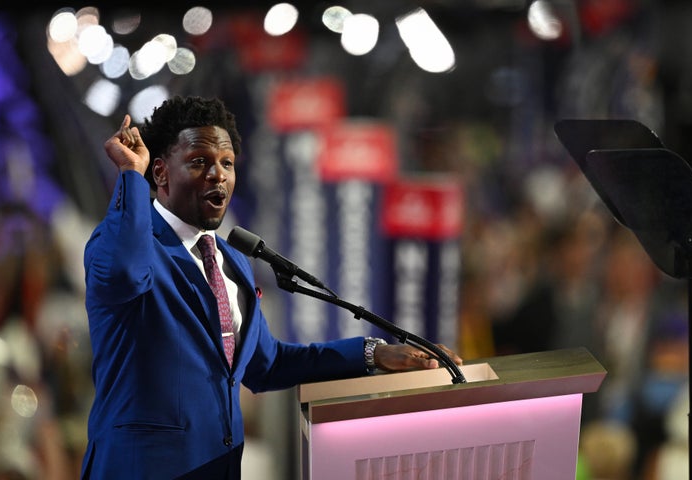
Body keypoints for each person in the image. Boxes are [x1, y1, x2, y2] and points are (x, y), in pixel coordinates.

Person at [80, 95, 463, 479]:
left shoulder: (231, 262)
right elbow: (125, 274)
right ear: (160, 172)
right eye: (199, 162)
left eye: (226, 164)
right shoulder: (122, 244)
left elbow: (268, 365)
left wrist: (373, 354)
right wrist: (131, 174)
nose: (218, 175)